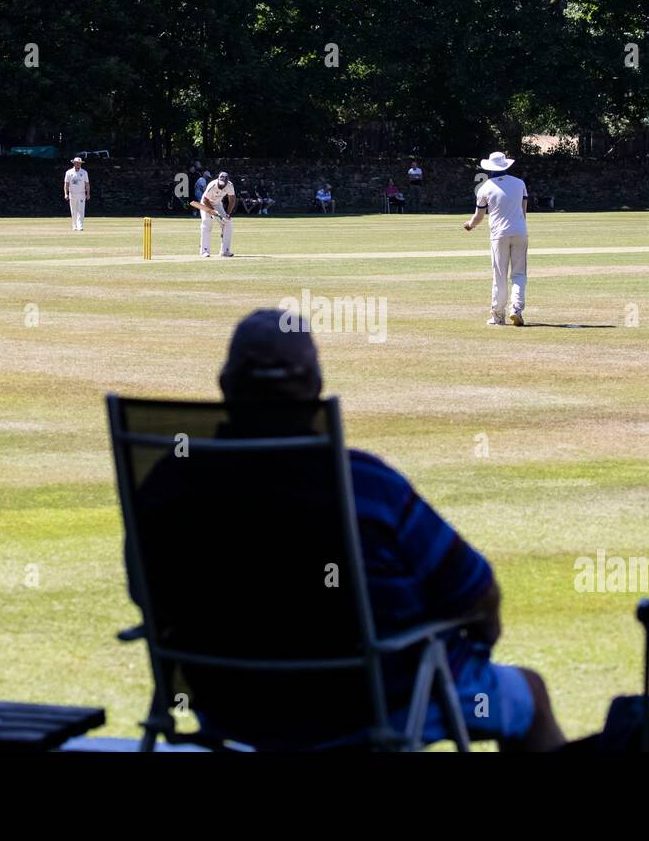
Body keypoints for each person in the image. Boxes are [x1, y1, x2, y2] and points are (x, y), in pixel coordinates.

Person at [127, 309, 566, 751]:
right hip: (376, 706)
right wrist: (480, 639)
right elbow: (475, 592)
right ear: (315, 388)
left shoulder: (168, 483)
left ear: (225, 385)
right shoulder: (366, 485)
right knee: (530, 692)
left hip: (228, 707)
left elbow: (145, 593)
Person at [464, 151, 529, 327]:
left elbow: (479, 216)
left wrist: (470, 225)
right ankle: (516, 309)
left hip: (499, 234)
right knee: (519, 273)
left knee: (499, 275)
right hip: (520, 231)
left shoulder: (485, 188)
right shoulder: (519, 183)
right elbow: (523, 211)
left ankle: (498, 315)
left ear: (490, 169)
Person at [197, 170, 235, 257]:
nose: (222, 185)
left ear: (227, 181)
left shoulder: (230, 185)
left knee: (227, 223)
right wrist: (213, 212)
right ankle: (204, 251)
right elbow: (205, 200)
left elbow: (232, 200)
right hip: (206, 203)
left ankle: (225, 251)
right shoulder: (212, 185)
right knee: (207, 223)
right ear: (218, 179)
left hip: (217, 203)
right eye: (220, 182)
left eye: (224, 183)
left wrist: (227, 215)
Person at [63, 156, 89, 231]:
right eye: (77, 163)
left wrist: (88, 193)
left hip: (81, 193)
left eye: (79, 163)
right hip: (72, 194)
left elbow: (87, 184)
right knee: (73, 211)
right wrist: (66, 193)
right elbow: (66, 184)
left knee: (81, 210)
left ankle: (80, 226)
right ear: (74, 163)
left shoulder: (84, 172)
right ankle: (74, 226)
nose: (78, 164)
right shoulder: (69, 172)